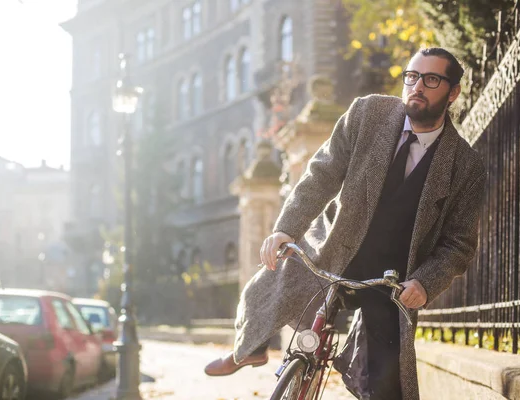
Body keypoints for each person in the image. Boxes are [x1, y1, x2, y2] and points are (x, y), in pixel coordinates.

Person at [204, 47, 487, 400]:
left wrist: (426, 283)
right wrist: (286, 228)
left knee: (385, 386)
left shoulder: (466, 165)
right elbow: (321, 174)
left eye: (431, 80)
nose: (417, 86)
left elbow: (459, 244)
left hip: (390, 281)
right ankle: (248, 348)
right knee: (269, 284)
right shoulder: (367, 113)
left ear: (453, 92)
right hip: (333, 248)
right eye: (412, 77)